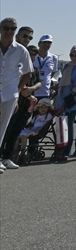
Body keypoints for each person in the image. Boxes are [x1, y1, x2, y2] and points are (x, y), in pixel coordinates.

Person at [0, 18, 34, 172]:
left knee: (3, 127)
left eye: (13, 28)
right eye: (6, 27)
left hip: (9, 93)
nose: (9, 31)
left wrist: (18, 89)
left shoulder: (21, 50)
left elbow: (28, 72)